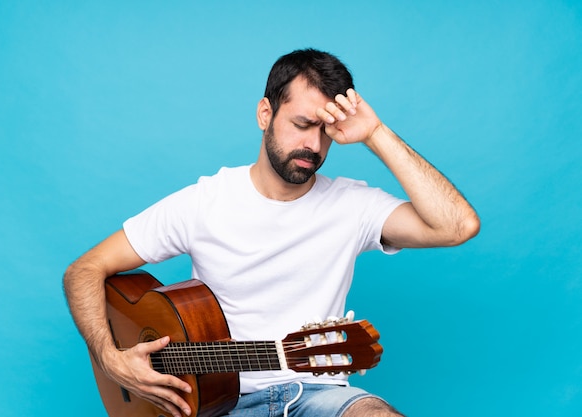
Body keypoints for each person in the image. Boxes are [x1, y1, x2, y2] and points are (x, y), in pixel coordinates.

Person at [63, 48, 480, 417]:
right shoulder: (203, 202)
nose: (313, 146)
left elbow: (458, 226)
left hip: (317, 393)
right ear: (265, 114)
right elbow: (84, 270)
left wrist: (375, 134)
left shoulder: (355, 205)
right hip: (213, 404)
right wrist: (109, 357)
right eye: (302, 124)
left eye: (326, 131)